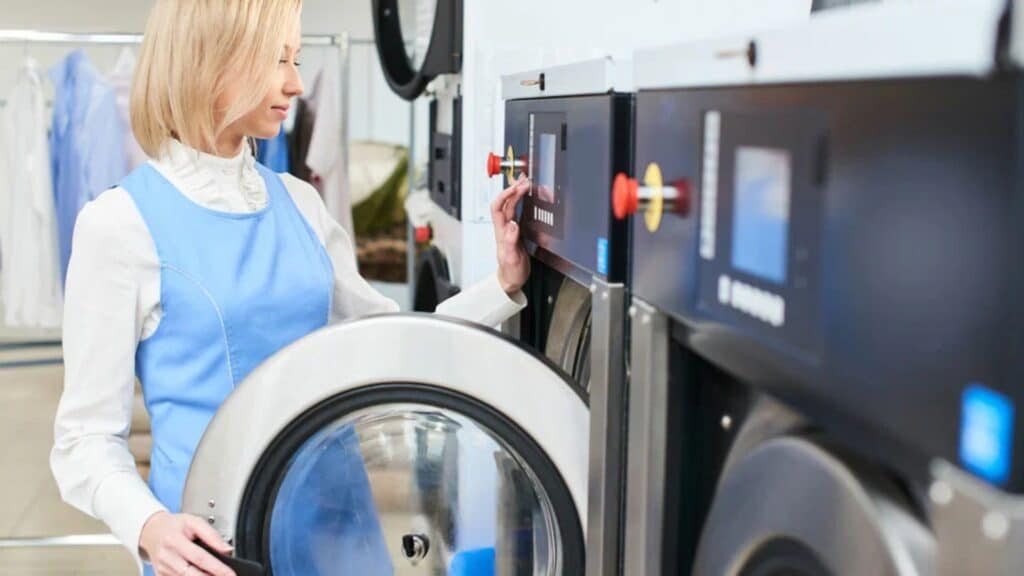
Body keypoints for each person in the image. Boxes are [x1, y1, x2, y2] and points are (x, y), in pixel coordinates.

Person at [49, 1, 531, 575]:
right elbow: (84, 440)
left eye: (295, 59)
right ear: (213, 60)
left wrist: (502, 284)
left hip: (340, 527)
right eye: (278, 59)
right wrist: (148, 526)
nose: (296, 84)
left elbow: (394, 340)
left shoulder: (298, 201)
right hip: (216, 541)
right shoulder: (119, 224)